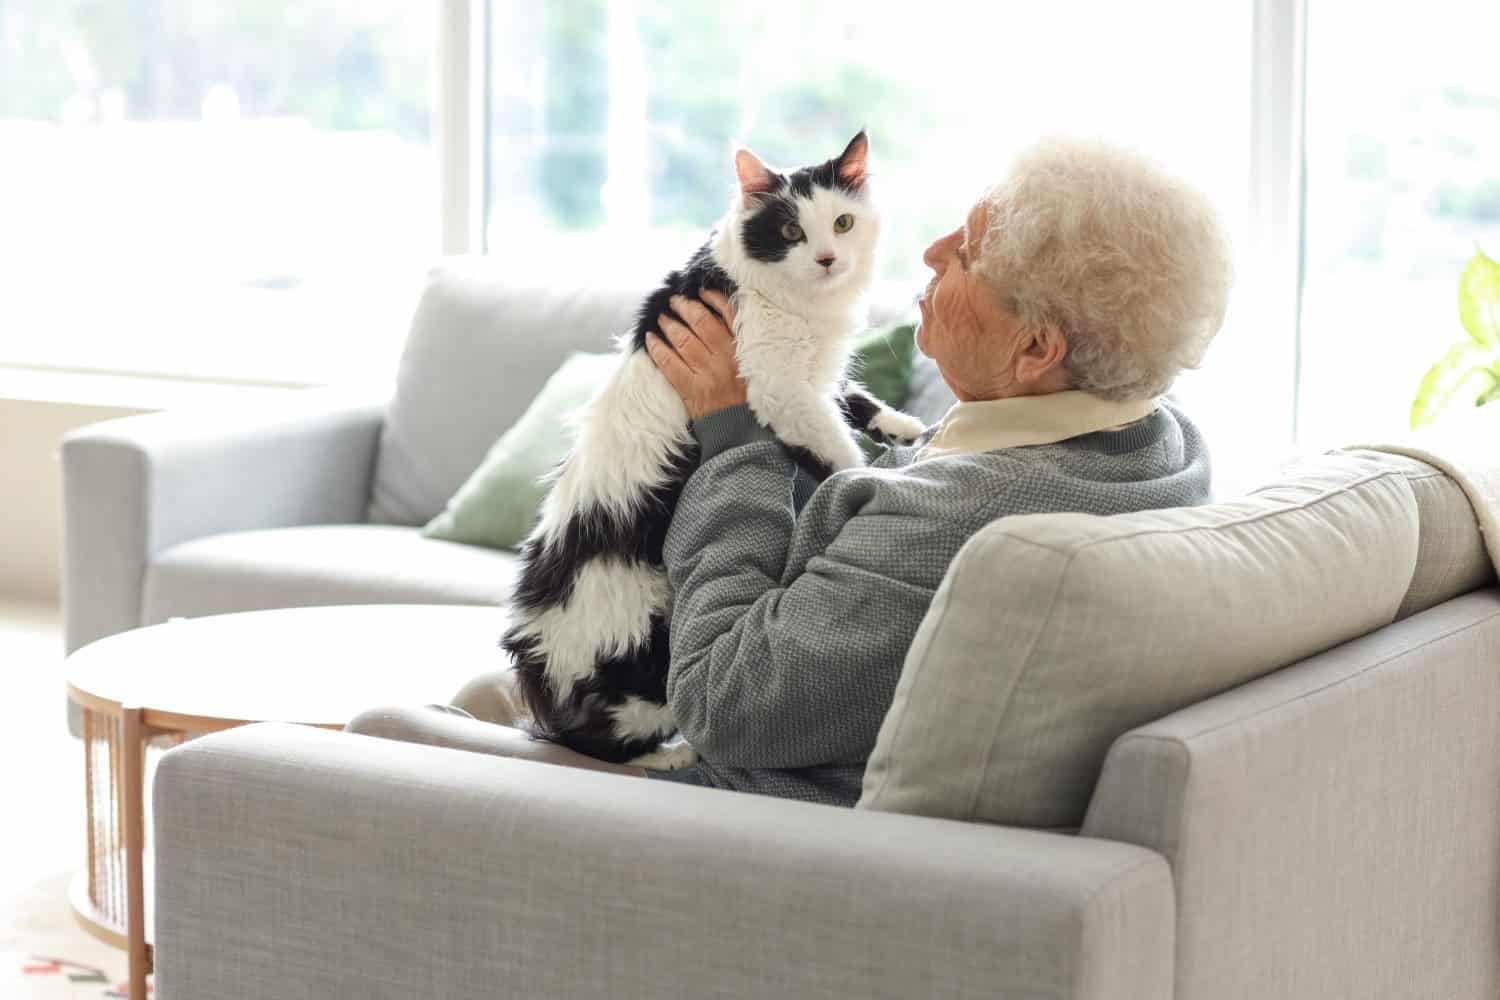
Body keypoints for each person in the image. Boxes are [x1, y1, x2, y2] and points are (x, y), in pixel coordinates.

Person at [346, 135, 1233, 806]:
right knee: (493, 689)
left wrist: (731, 435)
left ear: (1038, 348)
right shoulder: (1160, 443)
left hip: (740, 820)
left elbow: (727, 703)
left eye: (965, 256)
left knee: (380, 734)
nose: (927, 255)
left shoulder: (953, 526)